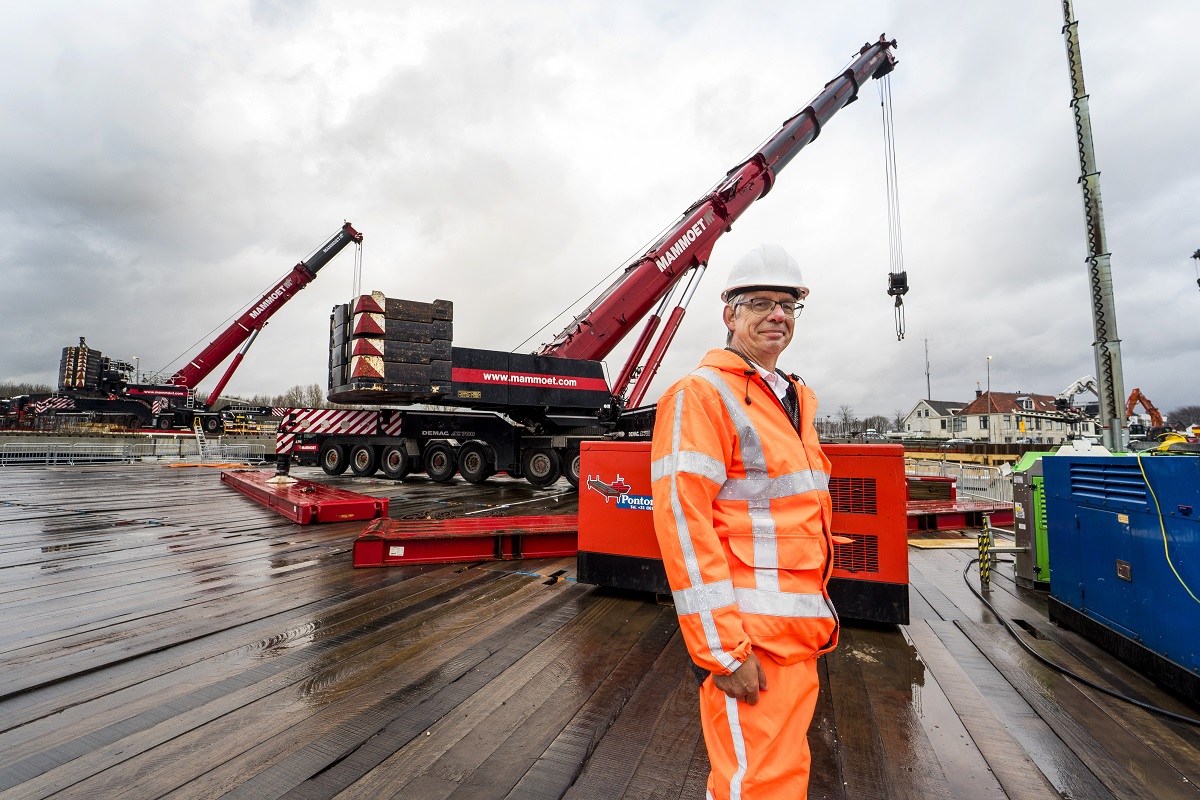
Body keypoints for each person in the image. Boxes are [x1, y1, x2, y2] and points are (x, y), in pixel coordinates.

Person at [650, 243, 839, 800]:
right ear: (729, 314)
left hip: (797, 639)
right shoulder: (701, 396)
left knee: (779, 780)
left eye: (788, 304)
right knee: (753, 787)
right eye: (760, 302)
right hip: (748, 644)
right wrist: (723, 652)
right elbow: (684, 527)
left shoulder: (794, 399)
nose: (777, 314)